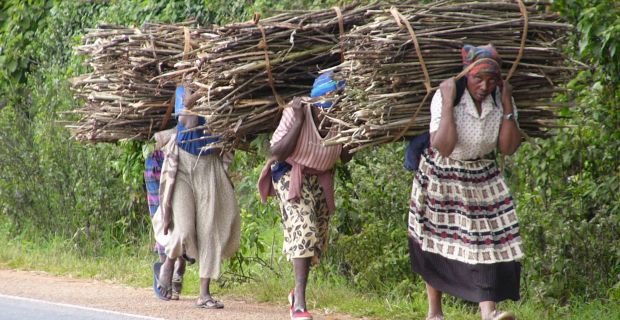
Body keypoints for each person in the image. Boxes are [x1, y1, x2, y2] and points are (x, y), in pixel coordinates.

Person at [407, 44, 523, 320]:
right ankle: (435, 313)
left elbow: (508, 148)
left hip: (482, 175)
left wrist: (507, 105)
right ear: (465, 76)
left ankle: (489, 313)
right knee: (434, 241)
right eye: (478, 79)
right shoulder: (447, 96)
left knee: (489, 241)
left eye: (492, 80)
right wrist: (448, 101)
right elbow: (444, 147)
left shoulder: (500, 100)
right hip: (442, 173)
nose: (485, 85)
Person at [258, 72, 352, 320]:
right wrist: (299, 121)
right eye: (324, 108)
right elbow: (277, 151)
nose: (326, 115)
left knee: (316, 242)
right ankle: (299, 304)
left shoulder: (341, 117)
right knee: (305, 229)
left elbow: (345, 156)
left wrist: (352, 132)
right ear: (315, 102)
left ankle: (295, 293)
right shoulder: (296, 110)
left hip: (321, 176)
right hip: (291, 171)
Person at [156, 84, 241, 309]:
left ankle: (204, 293)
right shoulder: (183, 90)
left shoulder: (223, 88)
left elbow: (228, 127)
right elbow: (186, 121)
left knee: (209, 228)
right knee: (183, 227)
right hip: (183, 163)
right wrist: (196, 96)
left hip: (209, 164)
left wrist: (211, 93)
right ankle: (169, 261)